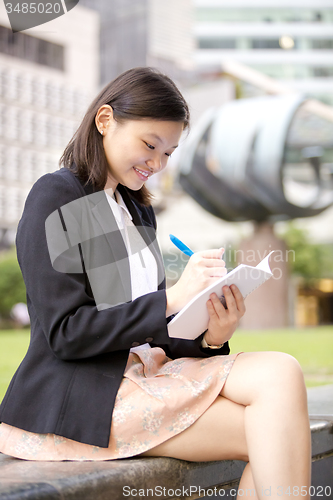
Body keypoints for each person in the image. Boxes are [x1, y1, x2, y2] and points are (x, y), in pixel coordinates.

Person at [0, 67, 311, 499]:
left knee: (282, 370)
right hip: (83, 400)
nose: (157, 163)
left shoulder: (136, 211)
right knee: (272, 435)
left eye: (169, 152)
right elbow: (66, 333)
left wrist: (210, 334)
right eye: (150, 145)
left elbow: (148, 332)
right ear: (105, 120)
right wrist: (173, 298)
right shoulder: (57, 195)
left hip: (145, 377)